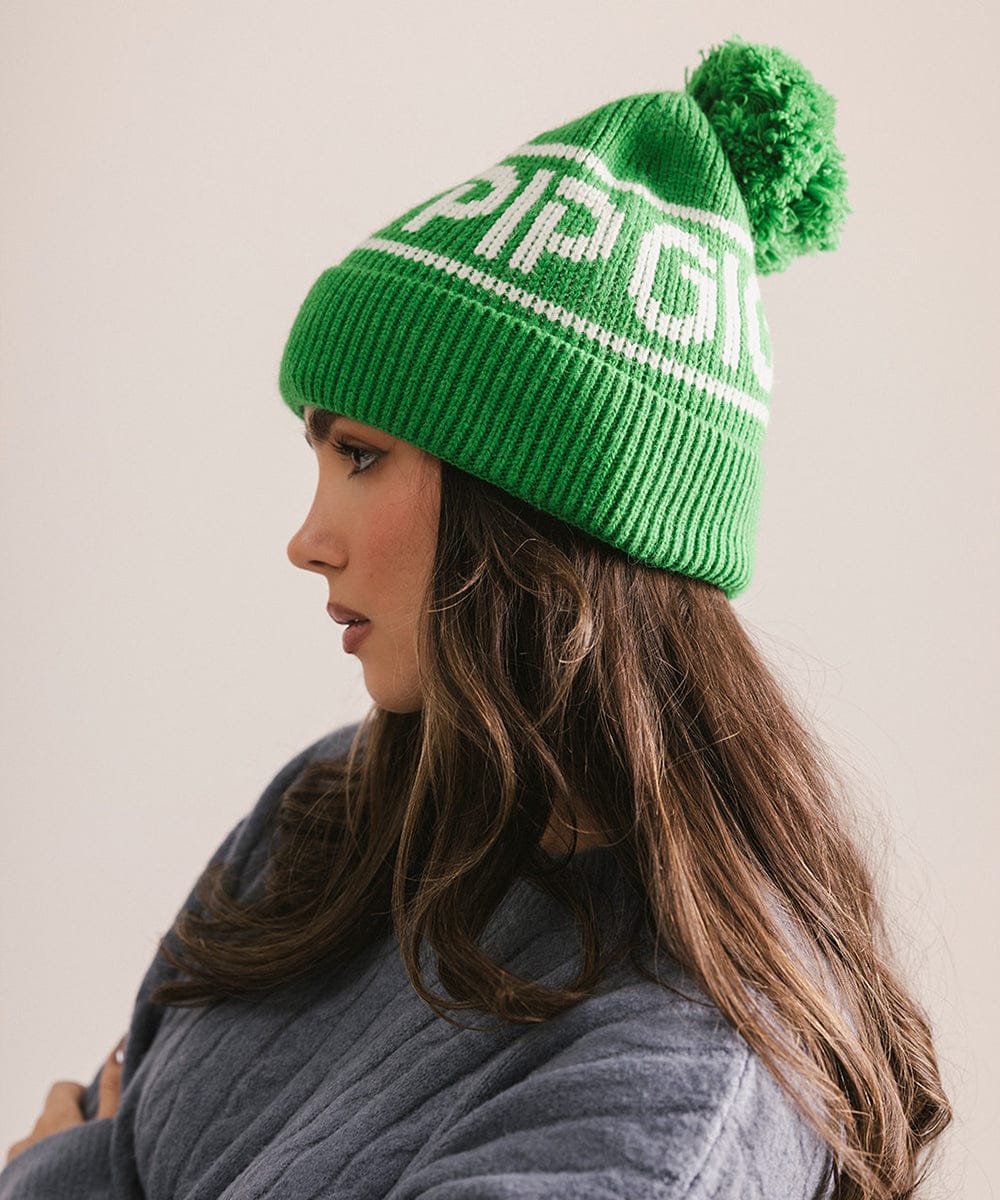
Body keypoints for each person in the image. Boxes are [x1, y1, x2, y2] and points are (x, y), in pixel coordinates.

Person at [1, 35, 952, 1200]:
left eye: (361, 456)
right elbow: (118, 1140)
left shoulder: (680, 1080)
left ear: (536, 517)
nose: (308, 539)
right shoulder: (333, 810)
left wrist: (53, 1177)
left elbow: (93, 1156)